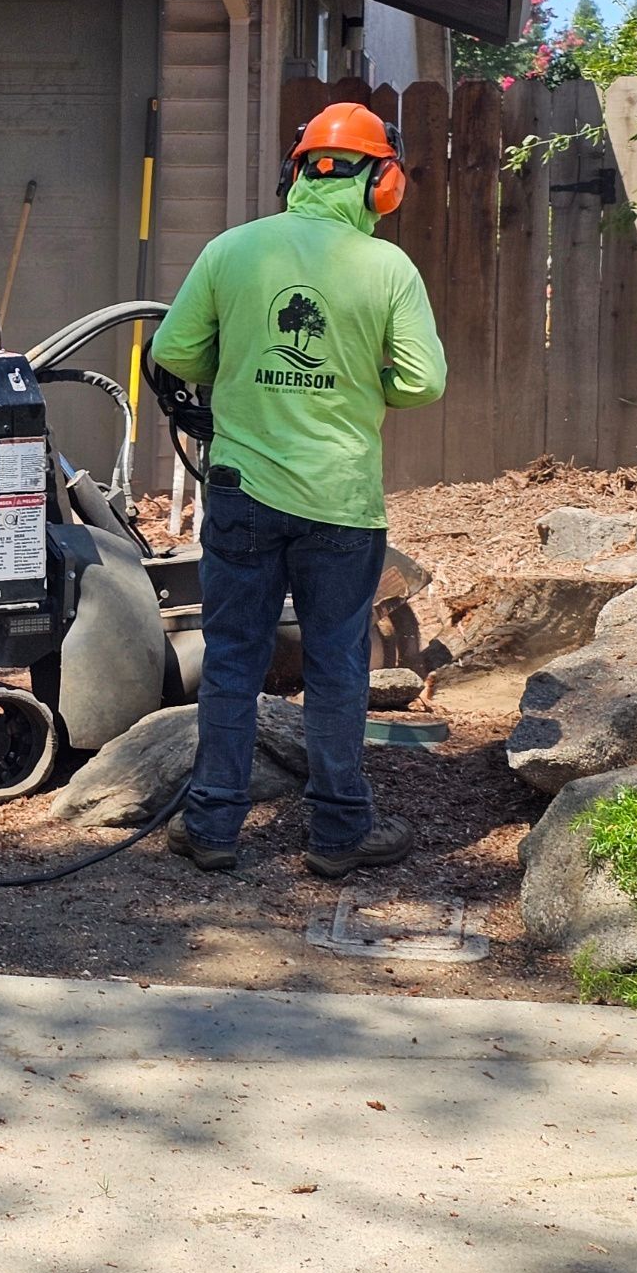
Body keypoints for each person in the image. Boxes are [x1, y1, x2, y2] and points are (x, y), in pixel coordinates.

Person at [149, 102, 446, 879]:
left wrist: (245, 367)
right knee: (339, 667)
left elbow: (175, 350)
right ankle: (341, 833)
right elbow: (423, 382)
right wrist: (359, 375)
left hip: (244, 495)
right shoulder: (387, 270)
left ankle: (212, 826)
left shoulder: (232, 249)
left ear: (297, 174)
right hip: (341, 508)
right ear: (384, 183)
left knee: (233, 661)